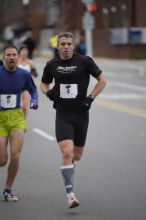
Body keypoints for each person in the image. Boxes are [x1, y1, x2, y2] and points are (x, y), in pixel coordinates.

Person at [40, 32, 106, 209]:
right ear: (58, 46)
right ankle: (70, 195)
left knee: (77, 155)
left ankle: (68, 167)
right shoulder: (52, 65)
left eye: (69, 44)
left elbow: (102, 80)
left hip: (81, 114)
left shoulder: (84, 61)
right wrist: (48, 93)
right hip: (63, 114)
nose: (66, 47)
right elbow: (44, 83)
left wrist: (90, 98)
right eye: (63, 44)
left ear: (73, 46)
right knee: (67, 152)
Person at [0, 44, 38, 202]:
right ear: (3, 58)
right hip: (0, 118)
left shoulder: (23, 74)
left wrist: (34, 100)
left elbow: (33, 89)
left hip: (16, 117)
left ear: (17, 57)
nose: (11, 57)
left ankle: (8, 189)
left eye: (13, 55)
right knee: (2, 161)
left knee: (15, 156)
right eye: (8, 55)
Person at [17, 45, 38, 117]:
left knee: (25, 107)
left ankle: (24, 121)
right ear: (20, 52)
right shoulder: (16, 61)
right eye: (23, 51)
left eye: (26, 51)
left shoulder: (30, 62)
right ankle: (17, 120)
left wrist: (33, 69)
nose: (24, 53)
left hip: (26, 86)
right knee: (18, 106)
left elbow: (35, 75)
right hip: (17, 86)